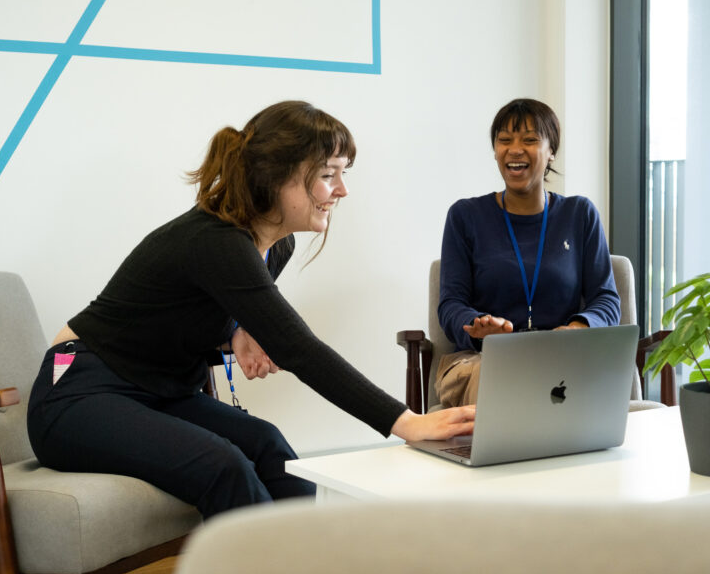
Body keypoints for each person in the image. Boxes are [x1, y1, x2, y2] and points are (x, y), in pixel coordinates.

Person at [26, 100, 475, 519]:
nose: (342, 190)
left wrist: (236, 329)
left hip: (159, 393)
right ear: (276, 176)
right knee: (223, 466)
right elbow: (297, 347)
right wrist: (406, 422)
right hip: (76, 392)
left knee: (266, 443)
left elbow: (190, 312)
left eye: (343, 172)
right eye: (328, 174)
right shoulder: (214, 239)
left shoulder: (274, 247)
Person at [436, 98, 621, 407]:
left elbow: (606, 298)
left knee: (581, 390)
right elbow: (451, 303)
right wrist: (479, 325)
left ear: (551, 152)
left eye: (530, 140)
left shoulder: (579, 214)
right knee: (498, 377)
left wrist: (578, 328)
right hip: (483, 360)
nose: (515, 149)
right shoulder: (465, 215)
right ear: (495, 151)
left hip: (561, 360)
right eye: (504, 140)